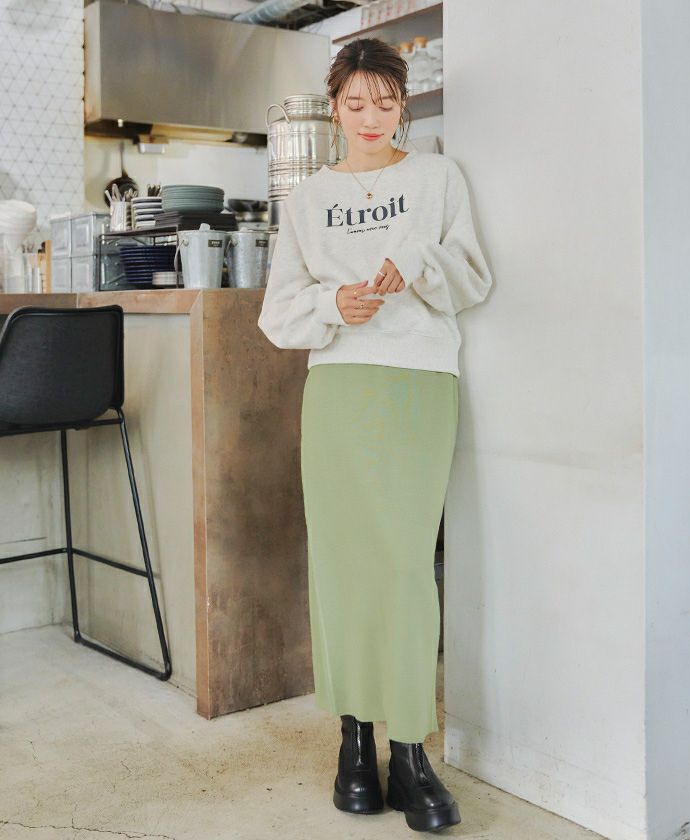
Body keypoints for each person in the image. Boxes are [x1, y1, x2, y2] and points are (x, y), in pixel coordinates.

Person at [257, 37, 493, 833]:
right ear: (334, 109)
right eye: (355, 103)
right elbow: (278, 313)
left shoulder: (436, 178)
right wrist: (334, 306)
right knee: (341, 564)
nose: (370, 117)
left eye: (385, 102)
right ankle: (353, 741)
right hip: (338, 387)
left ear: (403, 104)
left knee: (403, 567)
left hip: (420, 382)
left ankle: (410, 750)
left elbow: (473, 275)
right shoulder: (307, 199)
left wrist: (417, 264)